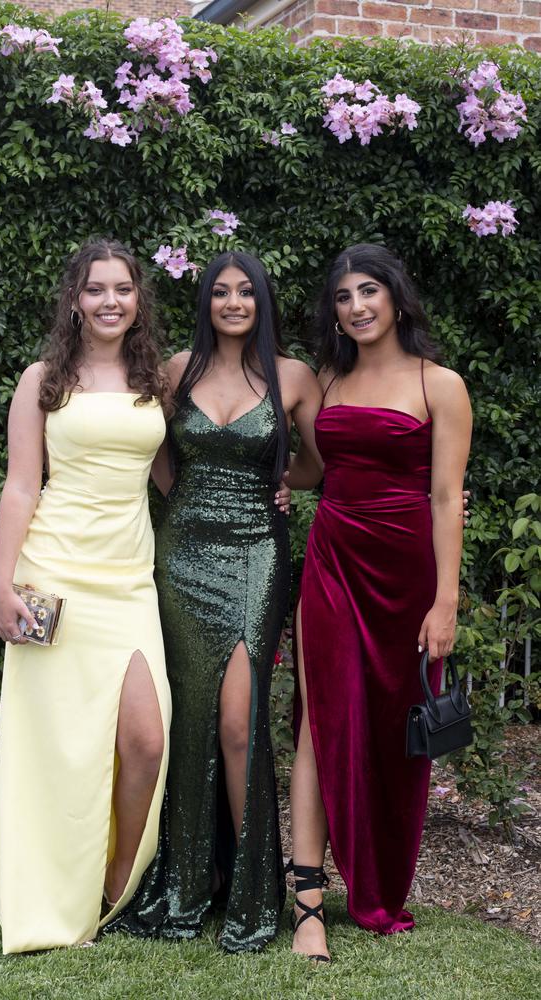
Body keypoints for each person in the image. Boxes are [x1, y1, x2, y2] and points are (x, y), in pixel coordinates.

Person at [109, 251, 321, 952]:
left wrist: (284, 484)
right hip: (185, 556)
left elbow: (317, 463)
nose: (233, 302)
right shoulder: (175, 370)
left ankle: (256, 899)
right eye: (220, 292)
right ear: (206, 303)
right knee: (189, 718)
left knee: (239, 722)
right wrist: (191, 508)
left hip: (260, 551)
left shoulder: (293, 376)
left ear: (263, 301)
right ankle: (188, 886)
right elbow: (157, 457)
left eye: (246, 292)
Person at [285, 244, 472, 961]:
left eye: (369, 291)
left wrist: (444, 601)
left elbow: (447, 496)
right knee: (318, 717)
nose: (357, 306)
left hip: (405, 575)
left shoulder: (439, 384)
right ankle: (307, 903)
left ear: (395, 298)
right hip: (332, 561)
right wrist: (287, 484)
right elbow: (323, 467)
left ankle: (379, 881)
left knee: (393, 732)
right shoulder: (327, 379)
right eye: (343, 297)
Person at [0, 238, 172, 954]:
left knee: (144, 739)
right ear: (74, 299)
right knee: (59, 747)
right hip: (55, 574)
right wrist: (3, 586)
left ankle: (113, 883)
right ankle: (51, 897)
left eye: (122, 289)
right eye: (95, 289)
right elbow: (21, 485)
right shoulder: (43, 379)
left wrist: (264, 493)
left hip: (129, 580)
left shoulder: (154, 379)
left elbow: (171, 479)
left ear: (138, 300)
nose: (109, 301)